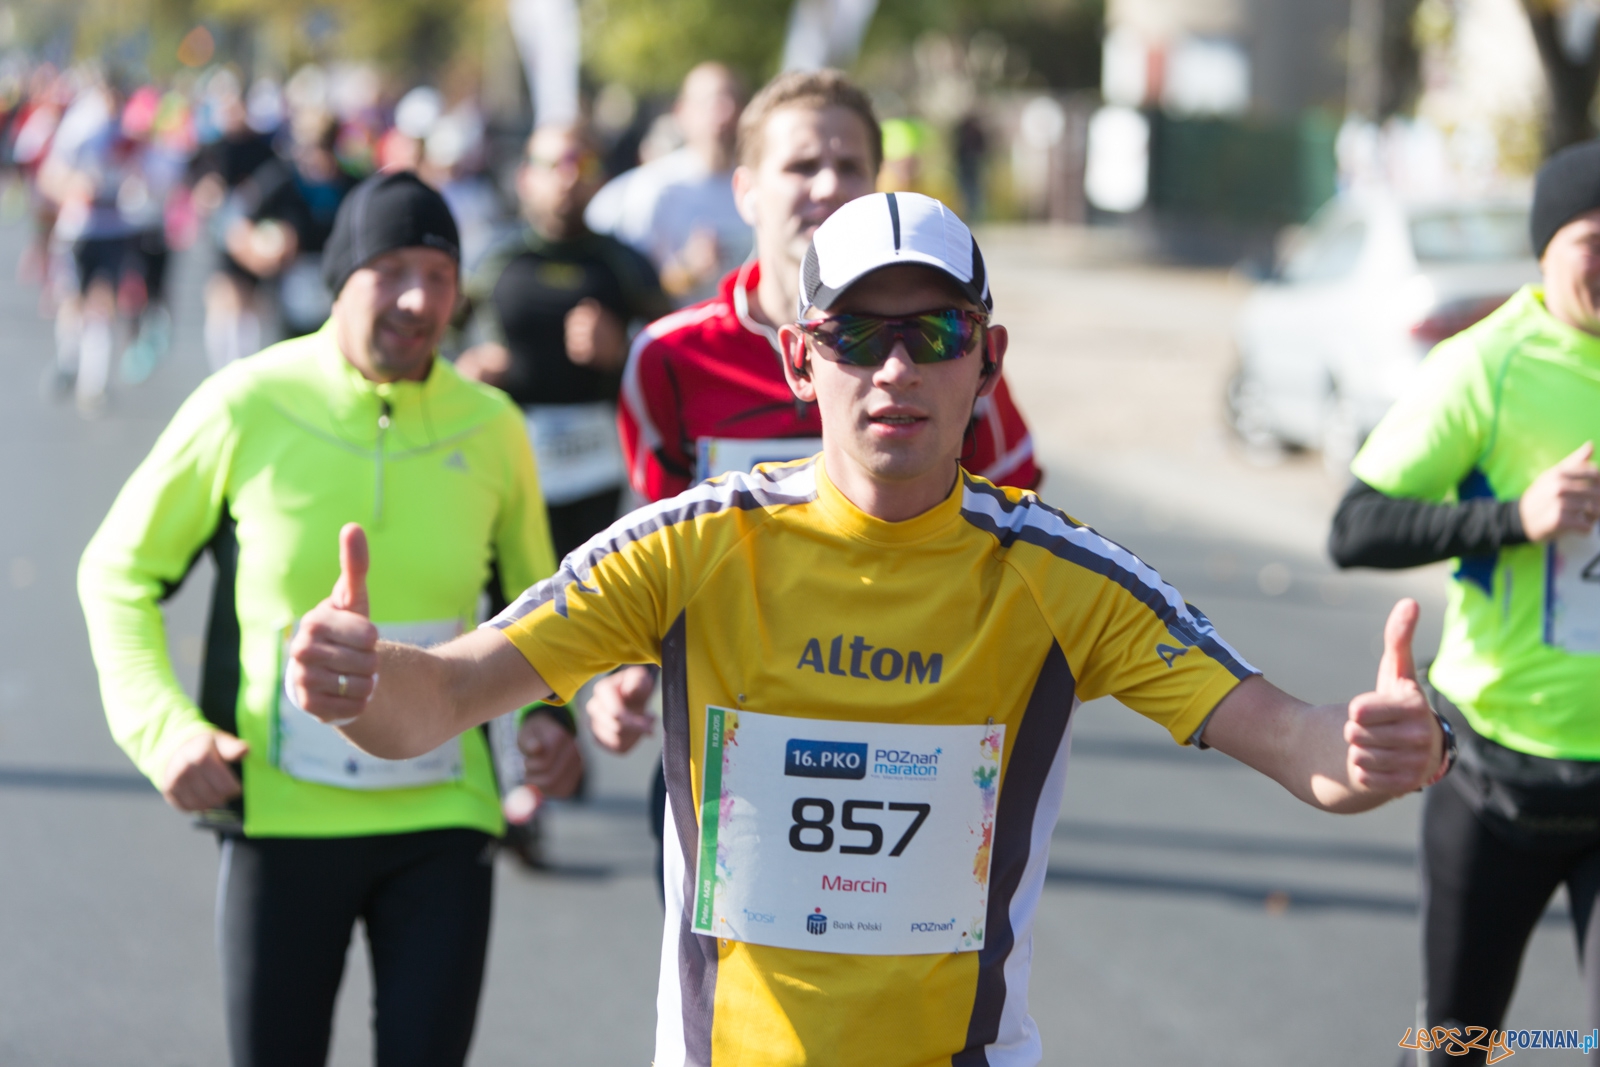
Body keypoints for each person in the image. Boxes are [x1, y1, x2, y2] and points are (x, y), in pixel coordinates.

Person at [289, 191, 1449, 1067]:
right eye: (856, 336)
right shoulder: (690, 544)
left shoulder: (1056, 571)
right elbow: (439, 698)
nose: (896, 368)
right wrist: (359, 675)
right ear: (799, 359)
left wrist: (1361, 751)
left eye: (935, 335)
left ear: (987, 361)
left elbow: (1290, 736)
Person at [79, 170, 582, 1067]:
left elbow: (543, 607)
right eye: (391, 269)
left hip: (445, 817)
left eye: (439, 271)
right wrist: (163, 733)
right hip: (283, 822)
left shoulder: (493, 425)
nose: (420, 297)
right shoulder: (247, 402)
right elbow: (116, 571)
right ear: (341, 277)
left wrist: (552, 719)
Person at [601, 68, 1043, 896]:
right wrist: (630, 664)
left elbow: (1019, 528)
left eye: (849, 167)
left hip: (914, 741)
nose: (828, 186)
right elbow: (659, 558)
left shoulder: (948, 354)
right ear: (745, 189)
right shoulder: (669, 358)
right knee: (728, 1013)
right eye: (802, 166)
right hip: (730, 744)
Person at [1330, 140, 1600, 1064]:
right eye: (1595, 240)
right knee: (1455, 1047)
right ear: (1547, 249)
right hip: (1496, 774)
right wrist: (1517, 517)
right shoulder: (1485, 365)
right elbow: (1357, 525)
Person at [457, 124, 671, 559]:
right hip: (512, 464)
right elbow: (435, 334)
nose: (568, 176)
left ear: (599, 178)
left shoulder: (625, 264)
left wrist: (622, 352)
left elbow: (674, 360)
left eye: (582, 164)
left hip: (602, 476)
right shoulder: (492, 258)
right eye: (554, 164)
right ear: (525, 178)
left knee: (593, 606)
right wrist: (464, 369)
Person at [585, 62, 751, 303]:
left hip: (753, 336)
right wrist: (687, 271)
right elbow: (631, 290)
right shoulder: (654, 189)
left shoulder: (760, 183)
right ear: (681, 112)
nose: (725, 112)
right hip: (682, 337)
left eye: (734, 100)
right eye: (711, 102)